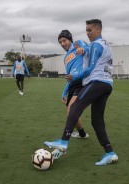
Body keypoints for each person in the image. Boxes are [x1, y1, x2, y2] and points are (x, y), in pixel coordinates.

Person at [44, 19, 118, 166]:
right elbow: (86, 50)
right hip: (107, 85)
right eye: (86, 30)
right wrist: (83, 50)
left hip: (97, 82)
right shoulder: (104, 45)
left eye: (90, 30)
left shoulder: (96, 45)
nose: (87, 33)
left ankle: (63, 142)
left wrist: (75, 77)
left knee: (75, 107)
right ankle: (110, 153)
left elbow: (89, 69)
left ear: (98, 30)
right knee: (96, 120)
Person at [51, 30, 90, 159]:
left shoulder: (77, 44)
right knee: (71, 112)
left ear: (70, 40)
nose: (62, 43)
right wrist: (64, 92)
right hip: (72, 84)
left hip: (81, 81)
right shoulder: (65, 57)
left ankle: (63, 143)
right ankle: (83, 134)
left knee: (71, 110)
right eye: (60, 42)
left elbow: (86, 47)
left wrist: (81, 48)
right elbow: (69, 77)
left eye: (64, 40)